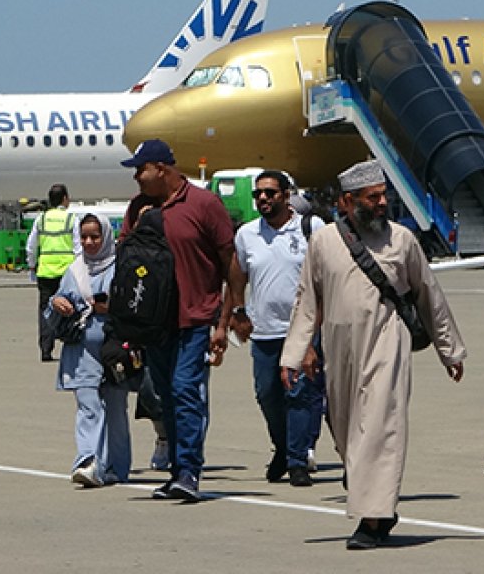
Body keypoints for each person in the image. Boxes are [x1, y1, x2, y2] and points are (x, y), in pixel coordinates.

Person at [280, 160, 466, 550]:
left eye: (384, 195)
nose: (382, 203)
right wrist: (294, 355)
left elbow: (430, 295)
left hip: (388, 341)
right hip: (339, 347)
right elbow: (307, 302)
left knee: (381, 425)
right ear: (349, 202)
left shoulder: (402, 240)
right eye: (373, 197)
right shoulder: (324, 242)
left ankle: (373, 518)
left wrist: (449, 351)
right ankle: (373, 498)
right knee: (348, 427)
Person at [121, 139, 234, 503]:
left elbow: (230, 262)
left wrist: (227, 319)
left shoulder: (204, 204)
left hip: (195, 316)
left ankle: (189, 471)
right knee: (164, 395)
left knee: (185, 389)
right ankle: (176, 471)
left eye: (141, 169)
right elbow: (125, 260)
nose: (137, 177)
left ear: (162, 169)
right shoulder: (139, 207)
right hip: (155, 322)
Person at [218, 170, 327, 487]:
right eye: (258, 194)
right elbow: (237, 275)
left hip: (302, 328)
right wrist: (236, 312)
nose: (263, 199)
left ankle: (297, 460)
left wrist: (316, 328)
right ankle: (283, 447)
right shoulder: (247, 234)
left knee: (299, 393)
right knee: (267, 394)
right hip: (264, 329)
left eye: (270, 193)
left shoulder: (311, 228)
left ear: (286, 195)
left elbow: (323, 278)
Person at [49, 213, 131, 487]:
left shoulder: (120, 268)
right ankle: (88, 460)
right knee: (88, 405)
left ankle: (115, 467)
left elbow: (133, 304)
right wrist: (58, 302)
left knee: (115, 409)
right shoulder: (75, 269)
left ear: (106, 237)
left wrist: (111, 308)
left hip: (113, 348)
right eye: (84, 237)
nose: (89, 242)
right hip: (81, 350)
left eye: (95, 237)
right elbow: (56, 302)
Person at [26, 184, 80, 362]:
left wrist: (32, 265)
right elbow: (78, 247)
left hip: (46, 271)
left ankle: (46, 349)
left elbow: (31, 246)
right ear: (65, 198)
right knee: (70, 309)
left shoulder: (41, 220)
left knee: (45, 310)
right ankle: (70, 343)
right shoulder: (71, 218)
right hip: (66, 272)